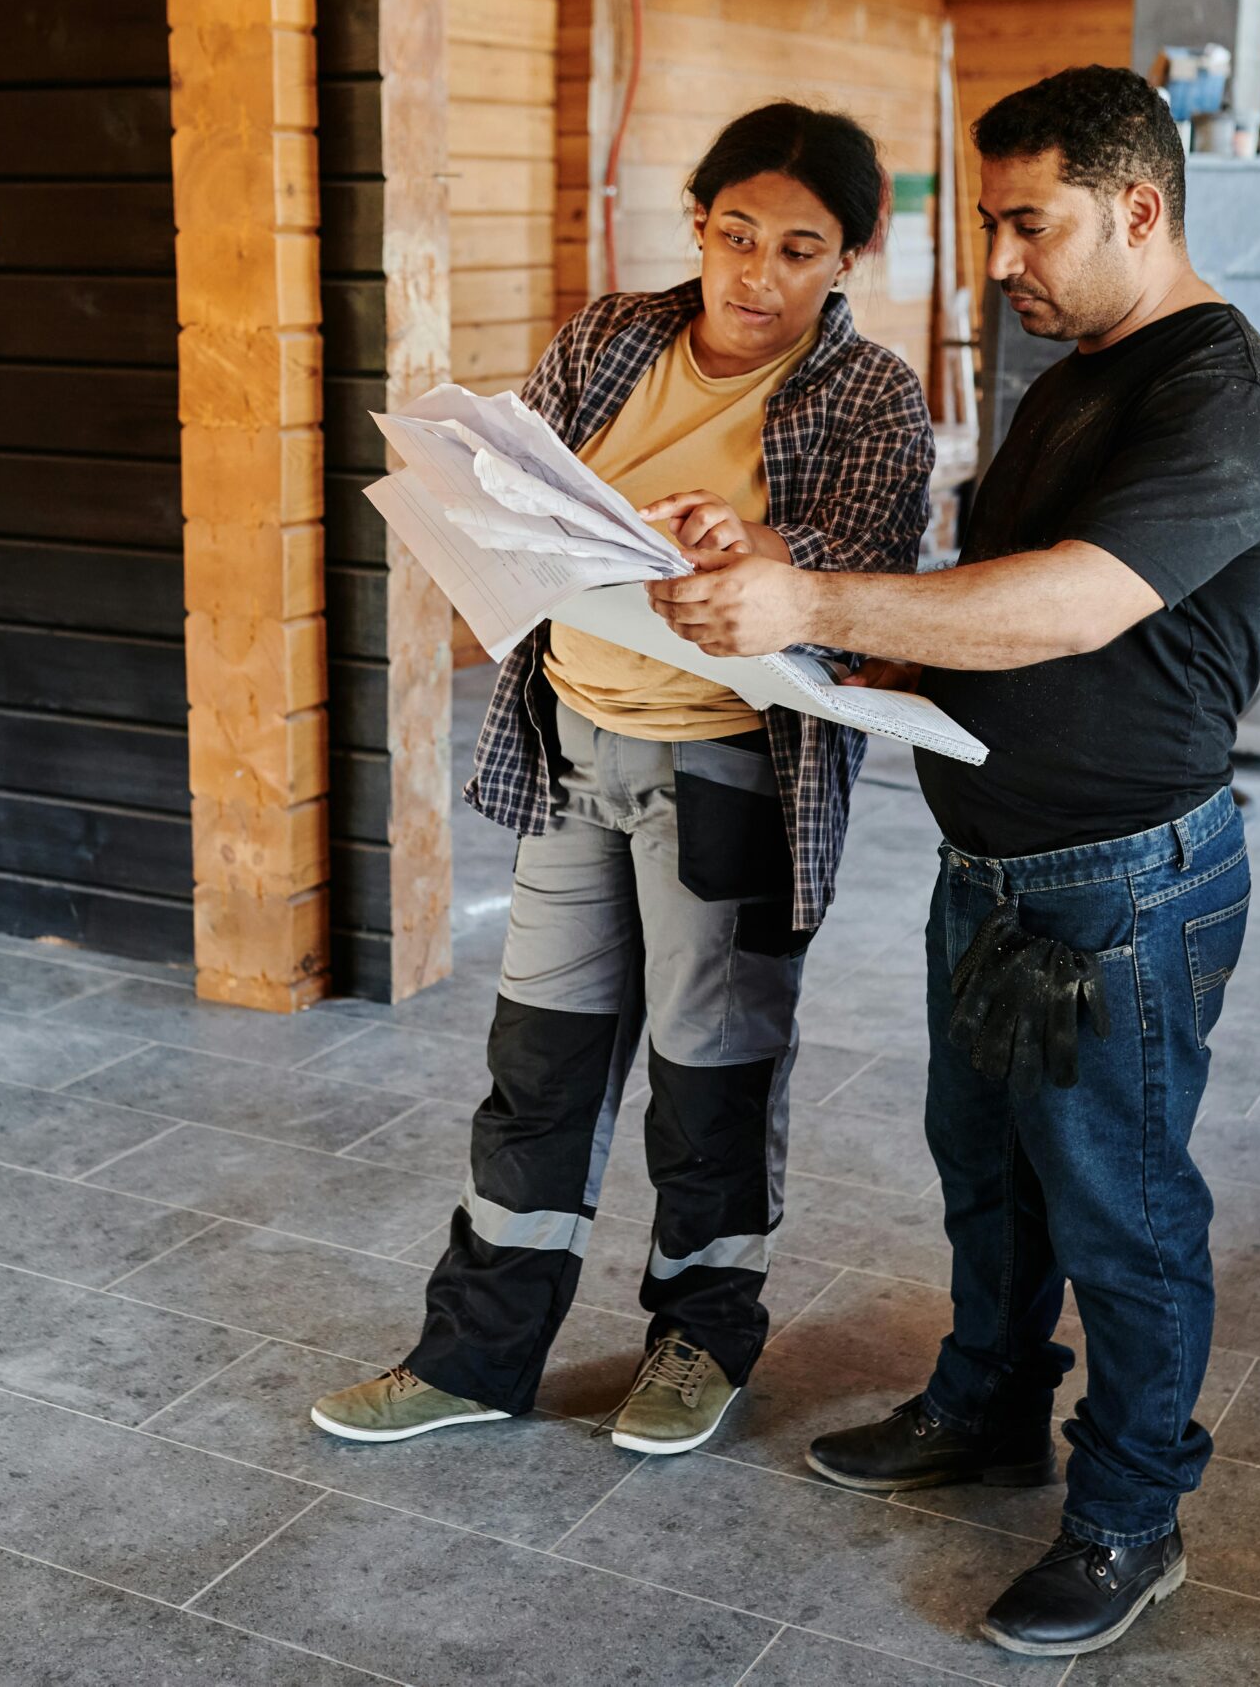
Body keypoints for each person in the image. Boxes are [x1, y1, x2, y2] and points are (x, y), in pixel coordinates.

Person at [644, 66, 1260, 1657]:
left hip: (1127, 885)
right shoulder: (1080, 363)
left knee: (1124, 1214)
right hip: (1000, 867)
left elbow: (1078, 603)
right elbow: (990, 593)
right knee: (990, 1179)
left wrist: (811, 608)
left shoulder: (1226, 396)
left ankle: (1131, 1513)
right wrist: (849, 631)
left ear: (1138, 208)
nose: (1001, 257)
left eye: (1031, 222)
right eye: (997, 219)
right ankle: (988, 1409)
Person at [309, 103, 934, 1457]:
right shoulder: (608, 339)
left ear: (845, 262)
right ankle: (474, 1358)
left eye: (799, 249)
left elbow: (872, 569)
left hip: (730, 775)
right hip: (571, 748)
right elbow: (515, 491)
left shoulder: (869, 389)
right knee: (537, 1065)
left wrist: (758, 539)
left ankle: (700, 1341)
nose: (756, 275)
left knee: (711, 1071)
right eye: (734, 235)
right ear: (700, 226)